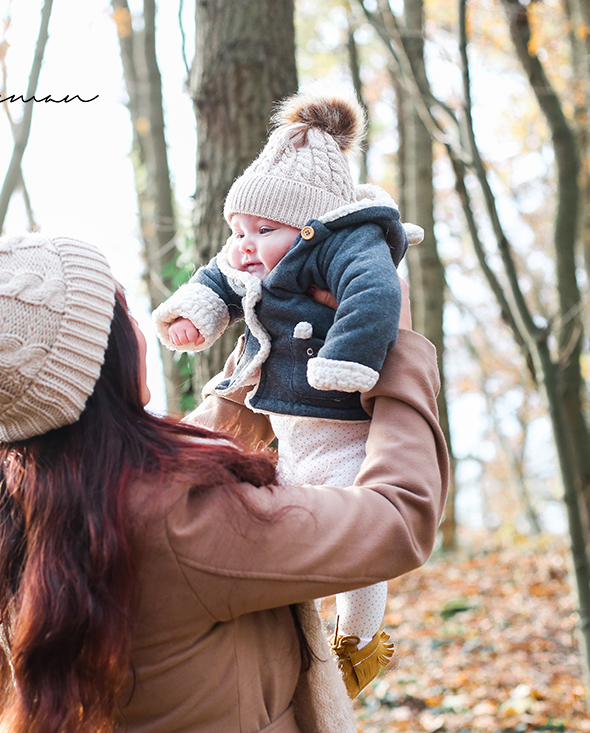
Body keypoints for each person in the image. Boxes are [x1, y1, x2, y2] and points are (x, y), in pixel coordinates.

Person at [0, 224, 447, 733]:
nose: (142, 329)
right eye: (123, 315)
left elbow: (182, 451)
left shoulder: (19, 492)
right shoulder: (182, 522)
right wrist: (396, 348)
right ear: (106, 358)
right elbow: (398, 519)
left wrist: (267, 355)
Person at [152, 88, 424, 699]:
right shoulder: (254, 252)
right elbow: (218, 277)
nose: (244, 243)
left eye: (262, 230)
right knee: (294, 520)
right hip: (279, 420)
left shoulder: (349, 245)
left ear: (309, 228)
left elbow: (375, 294)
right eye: (239, 228)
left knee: (354, 535)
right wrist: (194, 317)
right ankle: (301, 625)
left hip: (340, 421)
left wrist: (348, 359)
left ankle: (359, 637)